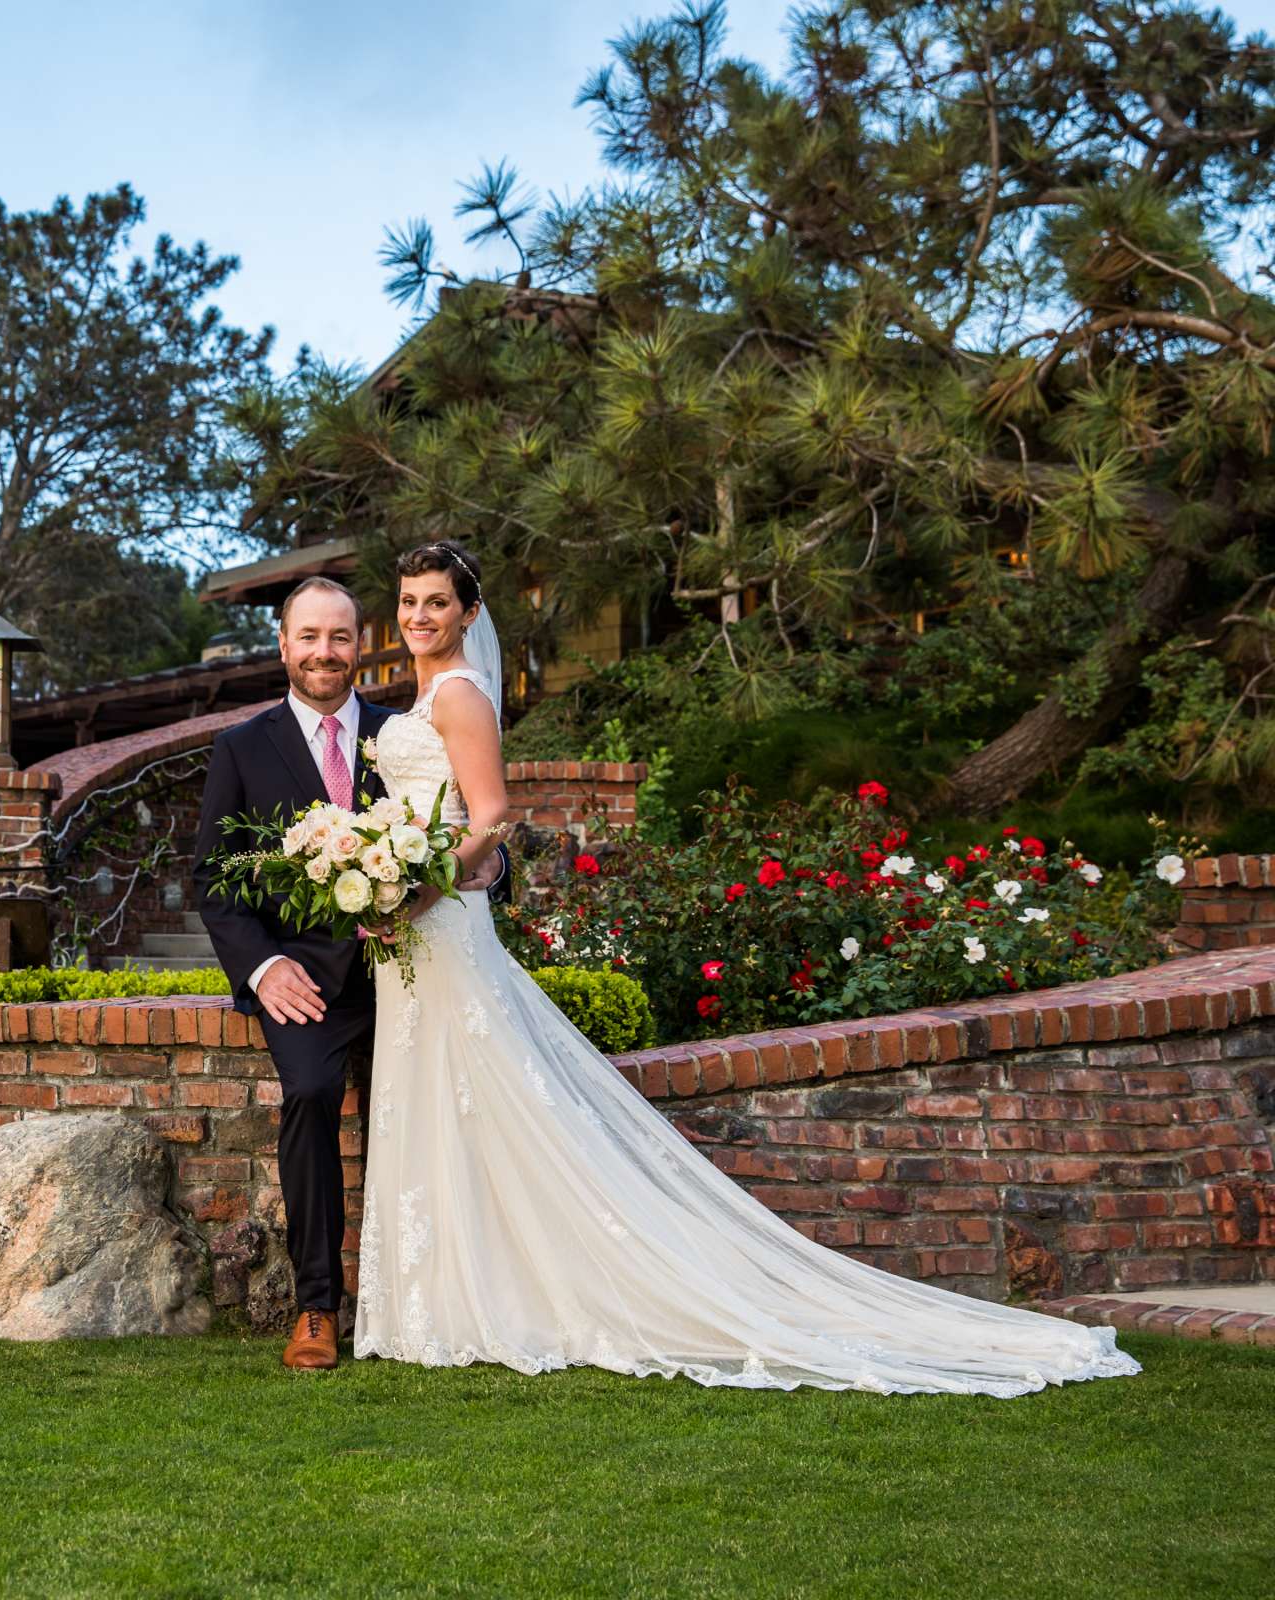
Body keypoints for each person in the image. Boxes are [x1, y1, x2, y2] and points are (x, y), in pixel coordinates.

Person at [348, 539, 1139, 1394]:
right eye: (407, 601)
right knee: (443, 1100)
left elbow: (493, 814)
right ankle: (445, 1297)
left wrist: (419, 887)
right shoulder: (423, 693)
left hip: (442, 924)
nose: (419, 616)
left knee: (485, 1097)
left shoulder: (460, 696)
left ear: (468, 612)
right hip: (409, 934)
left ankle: (502, 1294)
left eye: (436, 602)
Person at [190, 575, 509, 1371]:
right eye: (310, 637)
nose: (325, 653)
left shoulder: (402, 732)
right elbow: (212, 877)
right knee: (308, 1095)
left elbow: (469, 821)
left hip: (410, 968)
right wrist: (262, 969)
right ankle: (316, 1306)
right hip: (303, 981)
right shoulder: (241, 747)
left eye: (340, 637)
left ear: (359, 646)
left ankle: (452, 1291)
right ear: (284, 646)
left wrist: (490, 868)